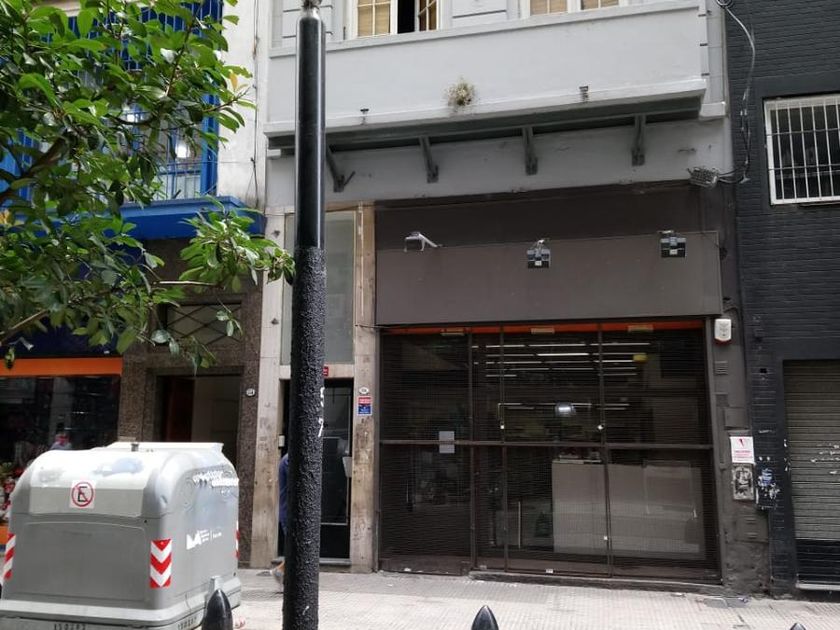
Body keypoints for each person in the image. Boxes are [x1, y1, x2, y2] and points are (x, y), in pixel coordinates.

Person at [270, 453, 289, 587]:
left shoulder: (287, 460)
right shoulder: (289, 460)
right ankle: (280, 571)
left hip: (289, 512)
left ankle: (281, 572)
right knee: (296, 548)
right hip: (289, 513)